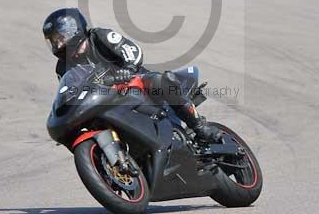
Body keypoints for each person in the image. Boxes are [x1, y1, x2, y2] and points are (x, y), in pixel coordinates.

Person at [42, 8, 222, 143]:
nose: (57, 44)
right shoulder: (63, 67)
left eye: (59, 38)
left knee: (158, 80)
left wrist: (127, 69)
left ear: (74, 29)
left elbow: (131, 50)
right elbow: (70, 91)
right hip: (103, 100)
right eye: (53, 42)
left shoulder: (99, 37)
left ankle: (200, 127)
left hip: (134, 85)